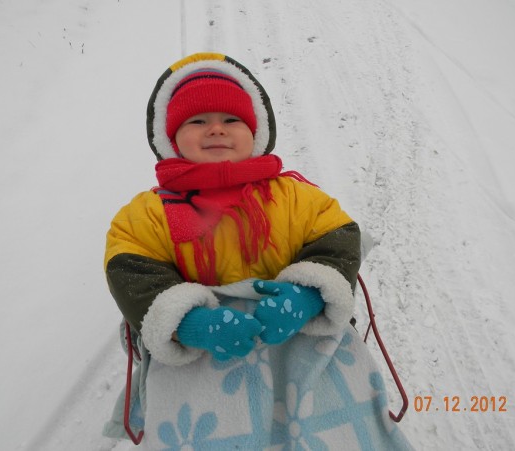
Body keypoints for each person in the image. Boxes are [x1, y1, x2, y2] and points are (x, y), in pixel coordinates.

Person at [103, 52, 413, 450]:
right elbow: (131, 265)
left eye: (231, 120)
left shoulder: (292, 195)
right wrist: (188, 323)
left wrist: (308, 293)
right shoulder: (150, 211)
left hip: (297, 330)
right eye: (197, 121)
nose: (216, 129)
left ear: (256, 131)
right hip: (201, 345)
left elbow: (336, 234)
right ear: (170, 138)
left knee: (336, 412)